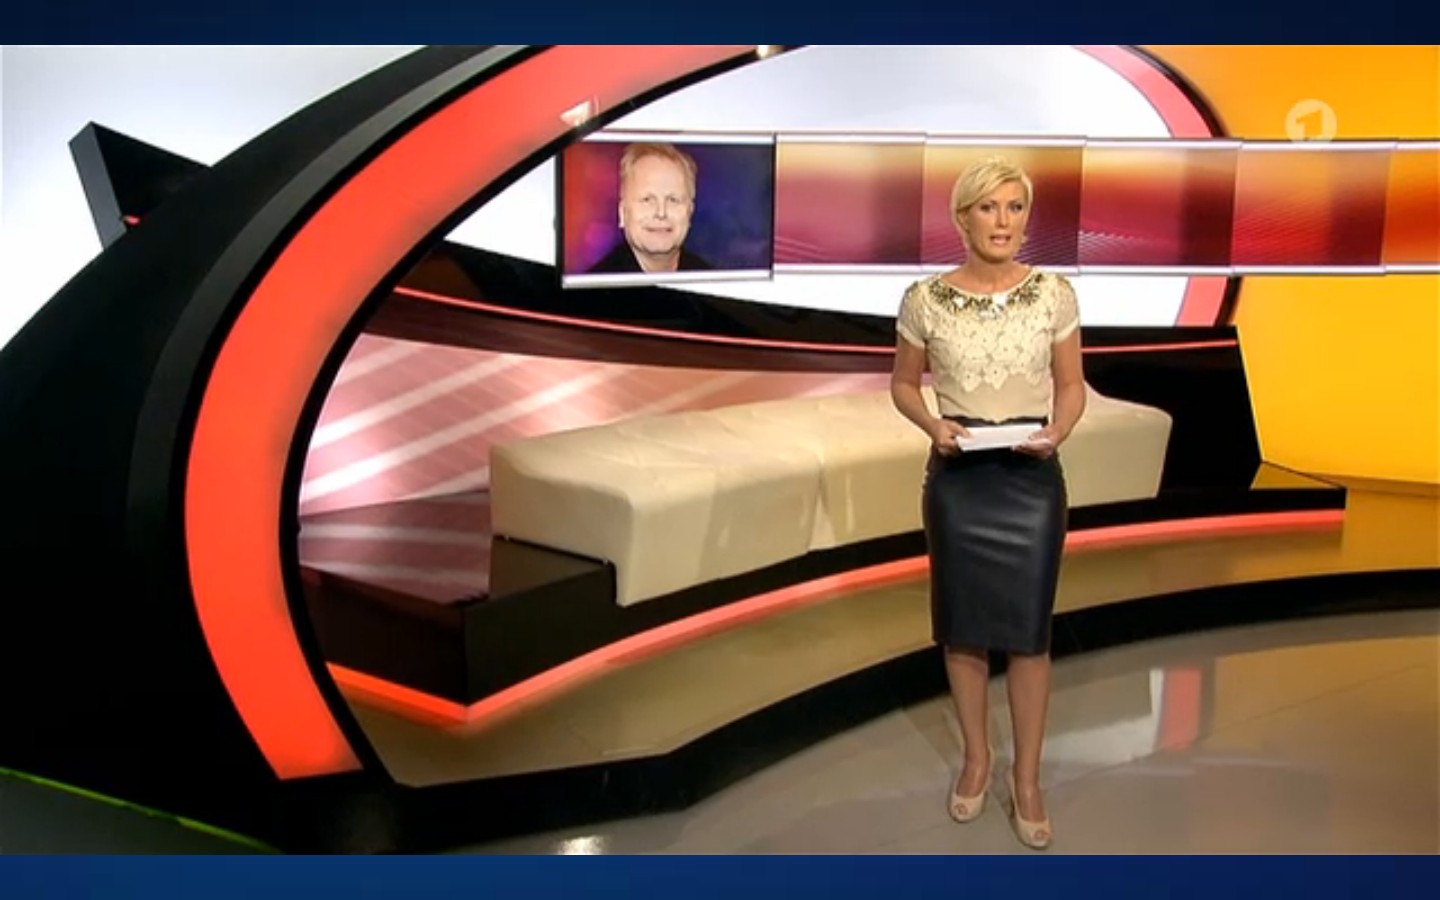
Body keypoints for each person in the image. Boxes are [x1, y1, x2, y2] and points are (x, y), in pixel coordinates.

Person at [889, 156, 1085, 851]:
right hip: (959, 480)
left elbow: (1071, 386)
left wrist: (1058, 432)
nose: (1003, 222)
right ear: (962, 218)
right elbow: (903, 385)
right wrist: (932, 424)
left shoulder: (1054, 293)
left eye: (1015, 207)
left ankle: (1026, 780)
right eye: (988, 208)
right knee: (964, 630)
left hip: (1031, 478)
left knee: (1029, 635)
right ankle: (978, 759)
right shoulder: (924, 299)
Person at [588, 142, 714, 274]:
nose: (661, 212)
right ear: (622, 213)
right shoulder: (594, 282)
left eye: (673, 200)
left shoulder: (711, 279)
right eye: (647, 200)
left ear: (690, 212)